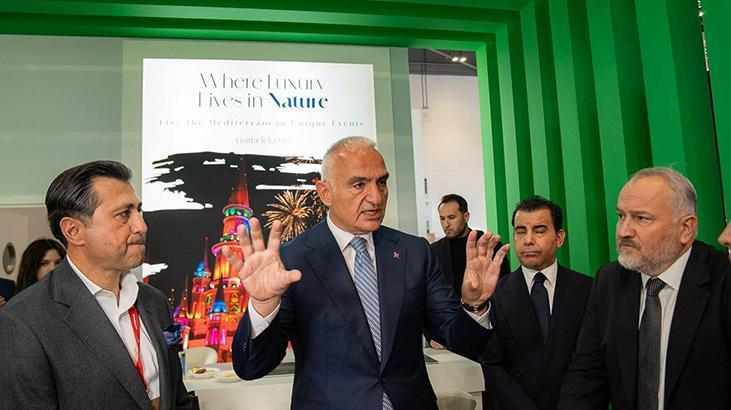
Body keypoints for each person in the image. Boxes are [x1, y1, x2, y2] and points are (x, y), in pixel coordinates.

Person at [227, 136, 509, 409]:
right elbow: (252, 366)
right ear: (325, 192)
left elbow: (462, 341)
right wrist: (263, 305)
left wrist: (474, 304)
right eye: (359, 185)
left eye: (381, 182)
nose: (376, 197)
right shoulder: (291, 259)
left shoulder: (415, 252)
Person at [0, 160, 191, 409]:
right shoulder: (24, 321)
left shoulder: (153, 301)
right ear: (74, 231)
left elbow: (177, 398)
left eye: (138, 211)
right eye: (124, 214)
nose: (141, 226)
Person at [559, 167, 731, 410]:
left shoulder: (723, 278)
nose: (624, 231)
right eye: (621, 216)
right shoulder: (608, 281)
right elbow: (586, 378)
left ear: (686, 229)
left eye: (641, 218)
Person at [481, 196, 591, 410]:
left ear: (559, 238)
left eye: (539, 231)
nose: (528, 240)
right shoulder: (495, 293)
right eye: (520, 231)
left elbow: (593, 363)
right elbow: (492, 364)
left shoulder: (588, 290)